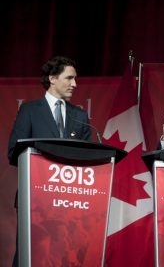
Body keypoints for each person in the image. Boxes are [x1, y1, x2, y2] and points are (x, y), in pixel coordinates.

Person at [8, 55, 92, 267]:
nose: (75, 84)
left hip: (70, 201)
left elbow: (88, 155)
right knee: (32, 254)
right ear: (53, 78)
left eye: (75, 79)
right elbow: (13, 152)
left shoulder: (79, 115)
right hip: (36, 200)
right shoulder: (29, 110)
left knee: (66, 256)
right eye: (69, 78)